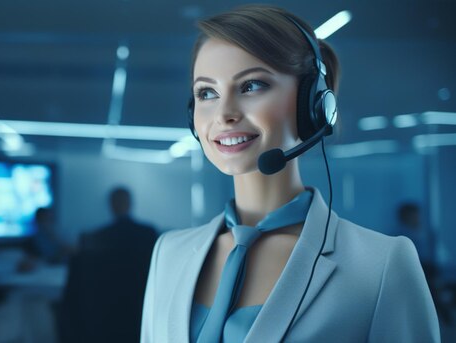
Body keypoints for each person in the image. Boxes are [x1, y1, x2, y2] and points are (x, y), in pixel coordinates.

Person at [141, 5, 439, 342]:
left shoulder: (381, 265)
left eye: (252, 85)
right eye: (207, 93)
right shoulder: (170, 253)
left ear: (312, 105)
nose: (223, 114)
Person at [61, 187, 157, 343]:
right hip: (140, 313)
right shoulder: (148, 234)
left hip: (100, 319)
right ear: (130, 204)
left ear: (110, 205)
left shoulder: (93, 238)